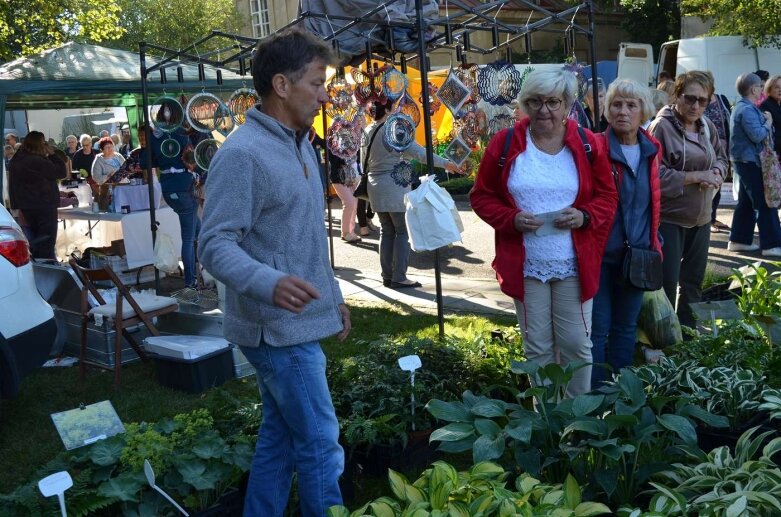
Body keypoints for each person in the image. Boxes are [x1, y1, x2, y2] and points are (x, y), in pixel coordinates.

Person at [199, 29, 351, 517]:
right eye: (317, 83)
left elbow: (304, 238)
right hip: (277, 332)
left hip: (298, 322)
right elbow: (213, 244)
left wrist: (334, 299)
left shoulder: (301, 144)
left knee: (281, 436)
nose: (325, 94)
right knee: (321, 443)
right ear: (282, 85)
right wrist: (269, 282)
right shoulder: (242, 154)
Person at [470, 68, 617, 397]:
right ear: (524, 104)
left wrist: (583, 215)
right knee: (537, 348)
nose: (545, 110)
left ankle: (577, 422)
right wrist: (512, 219)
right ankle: (548, 422)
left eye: (553, 102)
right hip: (526, 265)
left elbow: (608, 197)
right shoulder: (506, 142)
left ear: (567, 105)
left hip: (573, 263)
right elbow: (481, 196)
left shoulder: (587, 144)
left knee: (577, 346)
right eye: (535, 102)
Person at [591, 79, 662, 388]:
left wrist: (654, 241)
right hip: (601, 257)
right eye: (616, 105)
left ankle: (620, 393)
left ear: (643, 110)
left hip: (638, 259)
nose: (623, 112)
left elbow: (654, 201)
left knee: (625, 328)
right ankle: (592, 395)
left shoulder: (651, 150)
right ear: (608, 110)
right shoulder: (596, 148)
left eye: (631, 105)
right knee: (598, 329)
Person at [648, 71, 728, 329]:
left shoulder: (707, 126)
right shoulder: (662, 126)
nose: (695, 106)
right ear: (677, 95)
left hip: (702, 219)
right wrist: (695, 176)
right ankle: (664, 338)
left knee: (693, 282)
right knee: (667, 284)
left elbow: (722, 158)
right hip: (670, 220)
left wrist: (716, 173)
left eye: (702, 101)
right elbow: (653, 174)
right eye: (690, 98)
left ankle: (688, 335)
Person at [363, 99, 460, 288]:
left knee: (386, 229)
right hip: (394, 184)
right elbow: (419, 153)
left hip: (374, 185)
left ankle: (387, 275)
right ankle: (399, 276)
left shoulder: (368, 130)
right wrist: (446, 163)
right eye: (396, 105)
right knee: (401, 231)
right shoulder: (393, 129)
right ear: (389, 108)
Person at [140, 124, 199, 290]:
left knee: (198, 229)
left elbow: (145, 162)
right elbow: (195, 158)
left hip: (168, 189)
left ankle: (202, 271)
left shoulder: (155, 136)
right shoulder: (182, 131)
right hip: (184, 188)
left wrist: (150, 146)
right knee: (189, 238)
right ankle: (191, 281)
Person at [728, 72, 781, 257]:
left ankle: (739, 240)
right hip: (749, 161)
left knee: (746, 203)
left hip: (745, 160)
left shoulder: (743, 107)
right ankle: (772, 244)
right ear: (753, 89)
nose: (762, 89)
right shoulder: (747, 109)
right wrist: (768, 123)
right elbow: (757, 135)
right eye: (760, 86)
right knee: (765, 202)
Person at [7, 131, 67, 259]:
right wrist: (52, 154)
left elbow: (13, 185)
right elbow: (61, 172)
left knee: (34, 242)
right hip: (44, 206)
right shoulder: (36, 161)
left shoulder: (17, 159)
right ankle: (48, 268)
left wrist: (17, 206)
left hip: (26, 207)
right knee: (46, 242)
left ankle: (39, 267)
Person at [329, 152, 362, 243]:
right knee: (350, 203)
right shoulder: (334, 143)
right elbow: (335, 160)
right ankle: (346, 232)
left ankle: (350, 231)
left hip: (352, 176)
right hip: (338, 177)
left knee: (354, 203)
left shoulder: (351, 141)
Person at [759, 74, 781, 159]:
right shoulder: (765, 106)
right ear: (769, 89)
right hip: (775, 152)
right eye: (777, 87)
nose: (780, 90)